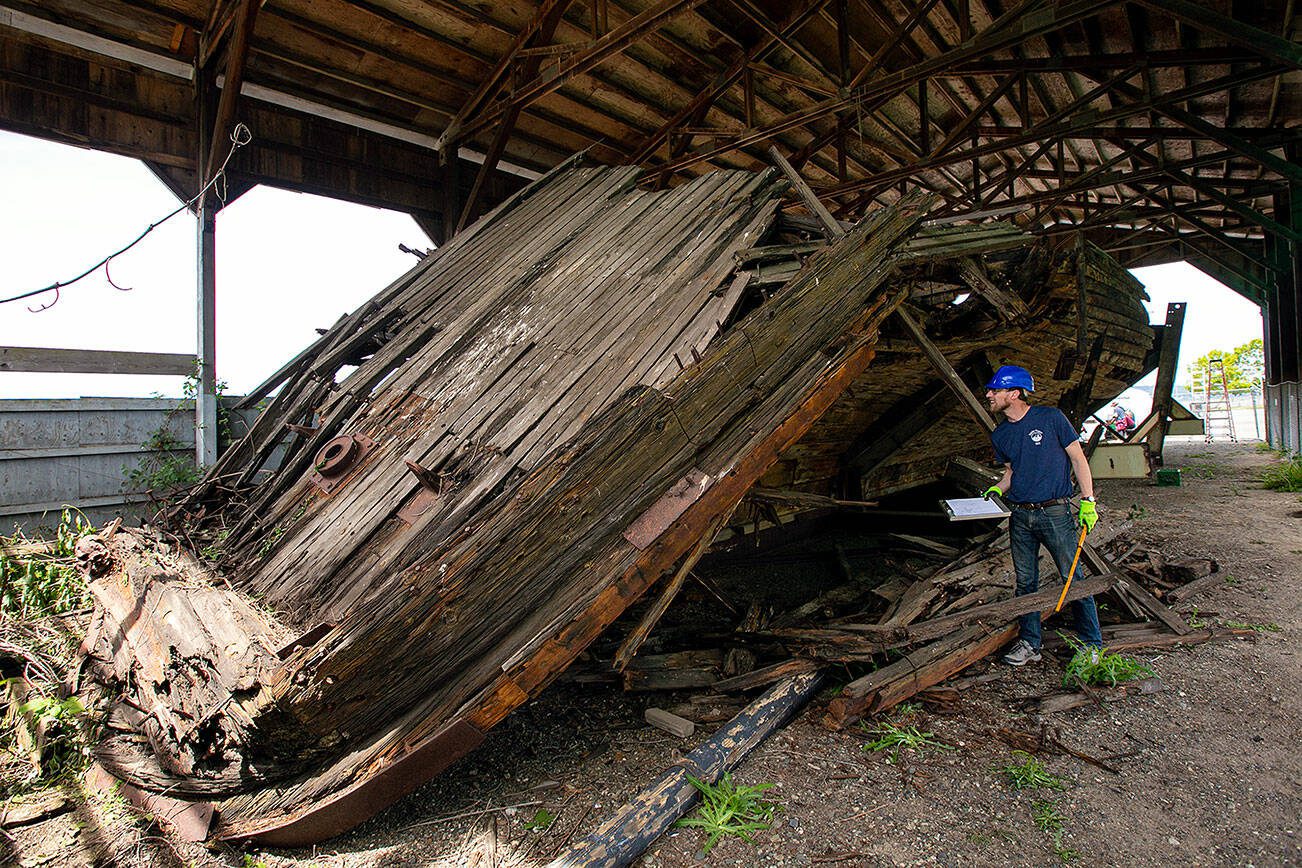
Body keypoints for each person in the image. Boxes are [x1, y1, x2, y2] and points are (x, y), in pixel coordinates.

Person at [979, 365, 1102, 666]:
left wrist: (1088, 500)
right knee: (1025, 582)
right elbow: (1010, 474)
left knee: (1072, 576)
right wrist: (996, 489)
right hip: (1020, 516)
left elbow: (1078, 458)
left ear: (1015, 393)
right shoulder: (1001, 434)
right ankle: (1030, 643)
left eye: (995, 390)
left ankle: (1091, 645)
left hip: (1054, 512)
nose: (988, 395)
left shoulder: (1051, 418)